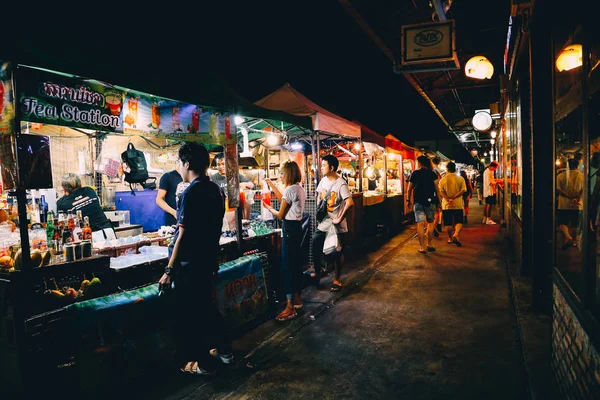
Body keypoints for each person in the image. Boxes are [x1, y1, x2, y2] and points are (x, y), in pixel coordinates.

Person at [158, 142, 233, 376]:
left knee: (194, 313)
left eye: (179, 163)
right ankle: (224, 352)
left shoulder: (192, 191)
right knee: (207, 307)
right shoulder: (216, 189)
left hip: (190, 264)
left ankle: (202, 364)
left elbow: (183, 233)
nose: (178, 167)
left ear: (187, 163)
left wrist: (169, 270)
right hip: (208, 259)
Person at [263, 161, 306, 321]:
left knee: (287, 265)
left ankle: (289, 306)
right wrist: (272, 185)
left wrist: (269, 209)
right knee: (296, 264)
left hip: (288, 229)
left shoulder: (290, 189)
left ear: (288, 173)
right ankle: (297, 298)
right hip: (297, 228)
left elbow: (281, 215)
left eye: (282, 173)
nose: (280, 176)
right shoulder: (298, 188)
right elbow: (284, 199)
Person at [311, 154, 354, 292]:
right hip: (324, 222)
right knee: (315, 243)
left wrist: (339, 219)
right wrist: (320, 205)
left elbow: (350, 202)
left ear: (332, 167)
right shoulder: (323, 180)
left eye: (324, 165)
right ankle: (318, 273)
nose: (321, 167)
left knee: (337, 251)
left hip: (336, 224)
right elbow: (318, 194)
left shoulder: (341, 183)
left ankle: (337, 279)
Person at [57, 173, 115, 241]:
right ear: (80, 183)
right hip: (107, 231)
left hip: (89, 235)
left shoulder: (62, 203)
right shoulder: (90, 191)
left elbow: (63, 223)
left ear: (64, 189)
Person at [407, 156, 441, 253]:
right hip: (430, 202)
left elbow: (409, 188)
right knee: (430, 223)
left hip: (418, 201)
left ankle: (422, 247)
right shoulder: (432, 173)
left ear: (420, 163)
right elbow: (437, 189)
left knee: (420, 224)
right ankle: (429, 244)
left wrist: (408, 200)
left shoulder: (415, 173)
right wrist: (440, 202)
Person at [556, 158, 583, 250]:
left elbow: (558, 189)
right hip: (578, 204)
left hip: (563, 203)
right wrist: (576, 197)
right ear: (577, 166)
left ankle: (567, 237)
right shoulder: (582, 176)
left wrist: (568, 196)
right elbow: (584, 190)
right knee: (575, 224)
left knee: (562, 223)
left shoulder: (560, 176)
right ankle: (574, 241)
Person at [439, 163, 466, 246]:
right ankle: (456, 234)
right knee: (459, 221)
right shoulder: (460, 179)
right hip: (458, 204)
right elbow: (463, 190)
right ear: (455, 168)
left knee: (448, 223)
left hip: (446, 205)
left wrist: (448, 198)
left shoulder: (442, 180)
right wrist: (454, 197)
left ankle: (450, 238)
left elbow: (441, 191)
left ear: (447, 169)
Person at [156, 159, 187, 226]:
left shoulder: (190, 177)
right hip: (173, 221)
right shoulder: (167, 177)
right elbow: (159, 199)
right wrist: (174, 213)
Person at [431, 157, 443, 236]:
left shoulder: (431, 171)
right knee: (440, 209)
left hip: (434, 192)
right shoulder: (442, 171)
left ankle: (433, 226)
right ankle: (439, 223)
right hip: (441, 192)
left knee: (434, 211)